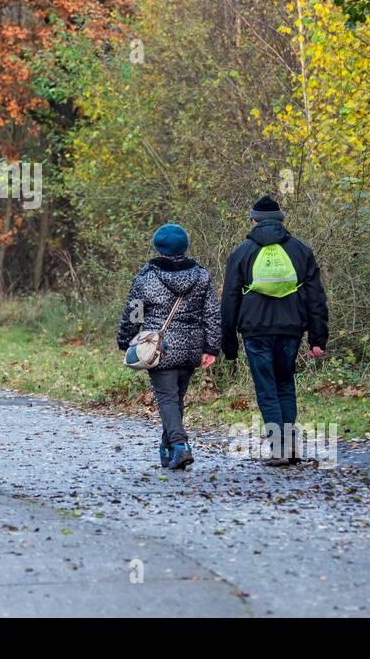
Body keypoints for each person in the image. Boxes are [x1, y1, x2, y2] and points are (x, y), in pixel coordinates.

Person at [220, 194, 329, 467]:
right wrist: (318, 336)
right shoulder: (300, 250)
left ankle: (279, 449)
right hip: (291, 329)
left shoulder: (241, 252)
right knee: (285, 385)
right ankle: (290, 447)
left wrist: (228, 340)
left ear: (253, 220)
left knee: (267, 388)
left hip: (255, 330)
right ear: (282, 220)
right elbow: (316, 296)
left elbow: (230, 298)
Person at [117, 224, 222, 470]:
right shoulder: (201, 275)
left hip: (159, 347)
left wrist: (125, 340)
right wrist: (211, 347)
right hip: (191, 348)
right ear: (185, 247)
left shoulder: (148, 276)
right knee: (177, 399)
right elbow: (213, 315)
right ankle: (168, 450)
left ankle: (180, 445)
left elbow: (134, 314)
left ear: (158, 247)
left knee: (166, 398)